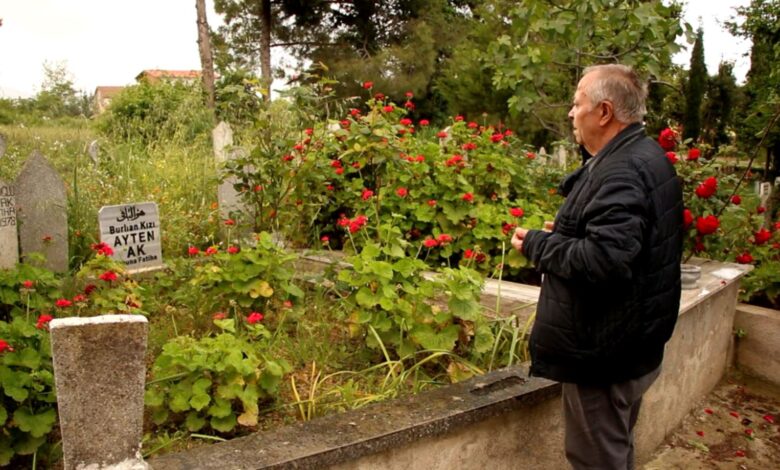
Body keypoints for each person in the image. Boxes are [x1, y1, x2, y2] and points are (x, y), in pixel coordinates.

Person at [511, 64, 683, 470]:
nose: (572, 113)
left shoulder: (622, 170)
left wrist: (538, 244)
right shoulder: (643, 155)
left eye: (577, 104)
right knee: (614, 450)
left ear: (604, 112)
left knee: (597, 460)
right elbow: (632, 242)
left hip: (604, 354)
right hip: (631, 345)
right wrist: (568, 234)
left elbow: (605, 261)